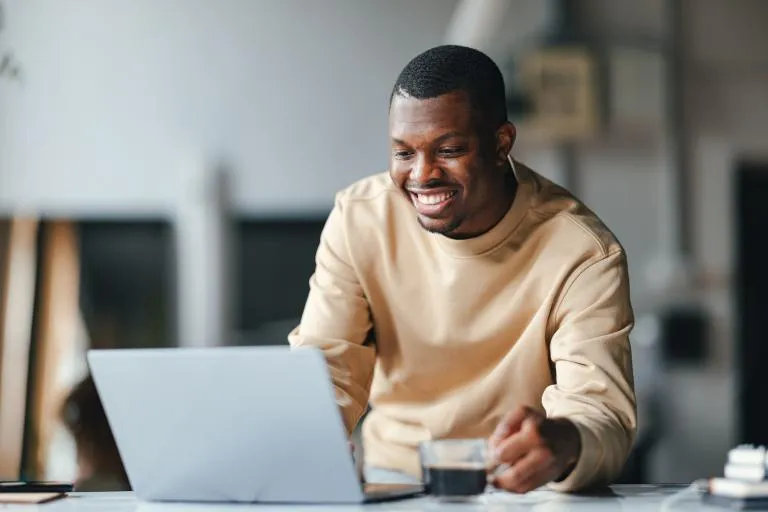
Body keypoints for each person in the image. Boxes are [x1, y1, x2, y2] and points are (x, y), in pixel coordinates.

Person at [288, 44, 636, 494]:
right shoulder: (361, 218)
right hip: (392, 486)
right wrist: (309, 436)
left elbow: (602, 413)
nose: (422, 175)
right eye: (403, 153)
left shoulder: (583, 252)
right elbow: (326, 367)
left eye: (448, 149)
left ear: (501, 144)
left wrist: (565, 441)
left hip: (521, 491)